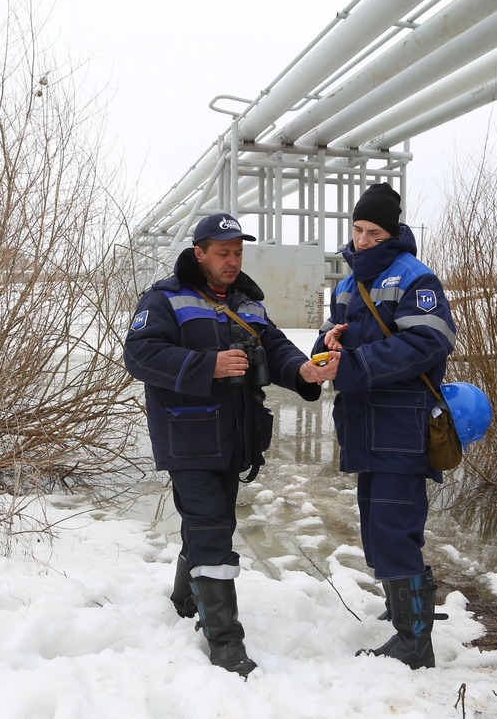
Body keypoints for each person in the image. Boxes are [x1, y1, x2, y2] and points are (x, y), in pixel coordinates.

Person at [124, 212, 339, 677]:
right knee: (212, 530)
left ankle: (185, 598)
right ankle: (224, 641)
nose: (232, 260)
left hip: (237, 436)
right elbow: (139, 354)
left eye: (238, 251)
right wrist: (208, 365)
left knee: (210, 521)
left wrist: (303, 371)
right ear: (199, 253)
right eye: (223, 252)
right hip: (188, 436)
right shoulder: (164, 298)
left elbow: (276, 347)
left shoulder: (248, 302)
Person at [312, 182, 457, 670]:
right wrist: (327, 342)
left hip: (401, 424)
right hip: (362, 422)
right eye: (358, 229)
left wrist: (351, 366)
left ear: (393, 233)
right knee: (376, 531)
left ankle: (415, 642)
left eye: (375, 231)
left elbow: (428, 345)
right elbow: (337, 343)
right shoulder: (348, 282)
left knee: (396, 530)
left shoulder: (417, 279)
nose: (364, 239)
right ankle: (405, 616)